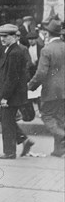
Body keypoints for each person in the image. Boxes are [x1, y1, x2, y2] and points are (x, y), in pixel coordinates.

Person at [0, 24, 34, 159]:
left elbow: (12, 77)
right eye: (1, 36)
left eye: (6, 36)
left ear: (14, 37)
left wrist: (5, 97)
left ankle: (9, 152)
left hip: (12, 94)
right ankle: (24, 140)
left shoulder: (14, 52)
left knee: (7, 122)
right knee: (5, 118)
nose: (2, 39)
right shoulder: (11, 49)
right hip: (15, 92)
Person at [28, 19, 64, 157]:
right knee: (60, 118)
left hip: (51, 91)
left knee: (47, 115)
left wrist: (31, 86)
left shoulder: (46, 49)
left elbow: (41, 73)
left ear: (48, 34)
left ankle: (62, 136)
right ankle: (59, 150)